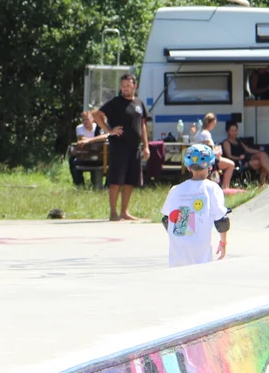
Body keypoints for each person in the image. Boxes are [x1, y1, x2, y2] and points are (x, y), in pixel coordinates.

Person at [161, 144, 231, 267]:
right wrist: (223, 243)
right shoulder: (212, 188)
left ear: (188, 167)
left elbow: (166, 219)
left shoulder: (175, 190)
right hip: (200, 254)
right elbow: (222, 220)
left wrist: (182, 239)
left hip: (177, 253)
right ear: (210, 167)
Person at [92, 72, 150, 221]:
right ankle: (113, 212)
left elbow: (142, 125)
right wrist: (108, 130)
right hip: (119, 147)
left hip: (134, 148)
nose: (125, 88)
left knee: (130, 181)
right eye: (123, 86)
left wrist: (146, 146)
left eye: (128, 86)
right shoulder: (115, 102)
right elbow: (97, 115)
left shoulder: (139, 103)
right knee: (116, 180)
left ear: (134, 86)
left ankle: (125, 211)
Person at [221, 120, 269, 185]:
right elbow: (229, 156)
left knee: (263, 155)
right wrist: (239, 158)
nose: (234, 132)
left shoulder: (238, 140)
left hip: (245, 159)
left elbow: (247, 149)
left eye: (235, 130)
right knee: (261, 162)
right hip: (239, 163)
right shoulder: (226, 142)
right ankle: (264, 181)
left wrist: (258, 151)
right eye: (232, 131)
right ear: (228, 131)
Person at [193, 113, 235, 189]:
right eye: (214, 124)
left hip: (200, 159)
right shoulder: (206, 134)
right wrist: (218, 152)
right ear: (211, 123)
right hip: (209, 160)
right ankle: (226, 187)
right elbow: (208, 150)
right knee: (231, 164)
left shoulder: (199, 133)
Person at [69, 111, 107, 186]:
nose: (85, 122)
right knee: (73, 160)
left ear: (92, 119)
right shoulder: (79, 128)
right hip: (84, 156)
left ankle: (106, 186)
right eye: (83, 120)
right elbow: (82, 138)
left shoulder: (98, 127)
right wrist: (96, 139)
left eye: (87, 119)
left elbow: (105, 137)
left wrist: (88, 140)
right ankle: (79, 185)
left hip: (99, 156)